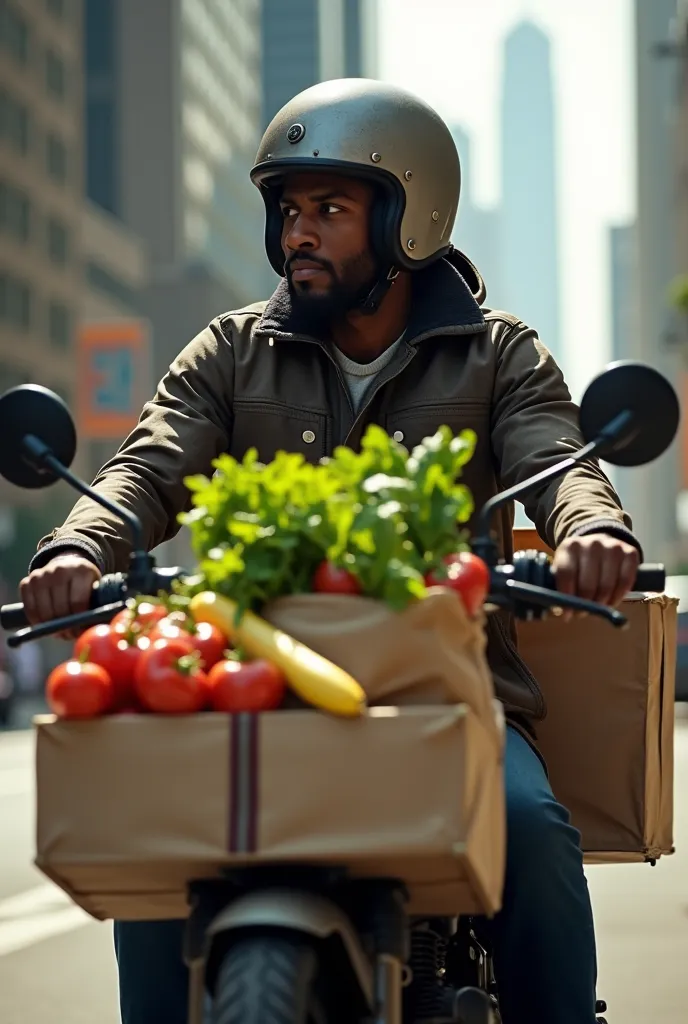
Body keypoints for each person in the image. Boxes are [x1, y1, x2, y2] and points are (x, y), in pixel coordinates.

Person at [20, 79, 640, 1024]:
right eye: (289, 211)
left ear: (405, 222)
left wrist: (592, 530)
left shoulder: (499, 356)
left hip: (442, 687)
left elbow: (558, 459)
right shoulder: (231, 353)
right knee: (148, 836)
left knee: (530, 827)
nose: (298, 234)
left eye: (331, 210)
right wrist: (77, 546)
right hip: (256, 686)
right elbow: (146, 468)